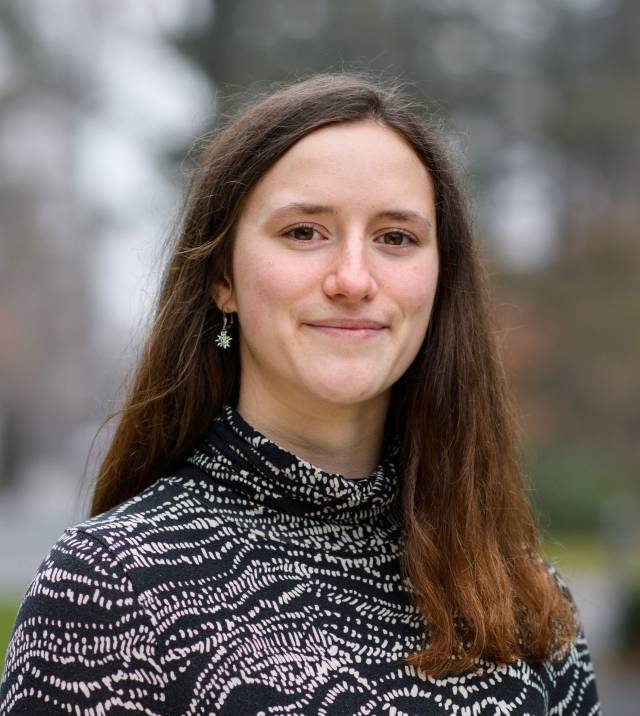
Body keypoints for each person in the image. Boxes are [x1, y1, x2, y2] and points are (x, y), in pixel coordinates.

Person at [0, 73, 601, 715]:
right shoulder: (109, 587)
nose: (353, 279)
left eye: (395, 237)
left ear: (439, 280)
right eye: (304, 232)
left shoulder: (525, 599)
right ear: (223, 278)